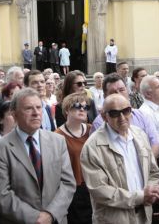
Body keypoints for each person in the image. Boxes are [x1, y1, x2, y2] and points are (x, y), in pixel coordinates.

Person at [0, 88, 76, 224]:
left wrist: (50, 214)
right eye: (28, 108)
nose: (36, 113)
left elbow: (68, 183)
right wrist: (35, 218)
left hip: (55, 220)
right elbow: (0, 194)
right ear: (14, 114)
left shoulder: (58, 141)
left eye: (38, 107)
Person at [80, 94, 159, 223]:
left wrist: (152, 190)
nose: (122, 117)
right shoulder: (92, 147)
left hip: (144, 215)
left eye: (126, 111)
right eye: (114, 113)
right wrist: (141, 196)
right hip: (114, 219)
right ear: (104, 117)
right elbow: (100, 191)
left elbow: (154, 172)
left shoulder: (140, 135)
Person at [90, 73, 159, 157]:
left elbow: (155, 143)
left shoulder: (142, 116)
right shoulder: (99, 123)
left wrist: (146, 164)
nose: (118, 94)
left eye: (121, 90)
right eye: (113, 92)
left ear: (127, 91)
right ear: (105, 96)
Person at [55, 92, 93, 224]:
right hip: (74, 189)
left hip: (94, 186)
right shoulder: (57, 136)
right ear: (67, 110)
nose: (82, 109)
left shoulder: (92, 130)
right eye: (77, 106)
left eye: (85, 107)